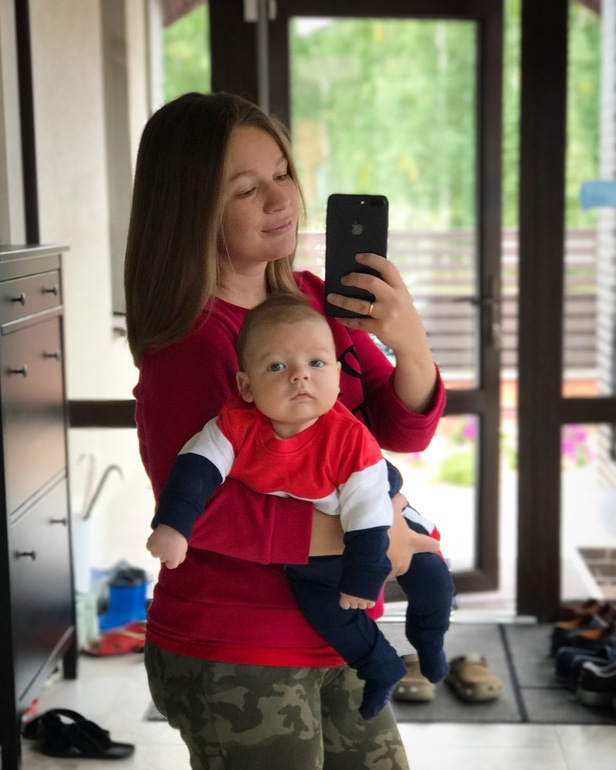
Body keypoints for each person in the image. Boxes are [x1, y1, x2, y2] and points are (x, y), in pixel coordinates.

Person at [124, 90, 447, 769]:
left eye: (283, 174)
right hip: (236, 646)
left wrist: (410, 342)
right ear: (192, 211)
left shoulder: (313, 300)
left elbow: (402, 430)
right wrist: (368, 535)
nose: (282, 200)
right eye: (247, 189)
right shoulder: (190, 344)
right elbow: (201, 509)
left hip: (339, 630)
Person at [146, 294, 453, 721]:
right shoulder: (234, 425)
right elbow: (194, 472)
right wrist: (174, 526)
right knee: (329, 613)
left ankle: (429, 640)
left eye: (316, 363)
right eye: (277, 366)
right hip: (312, 560)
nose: (300, 376)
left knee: (433, 577)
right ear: (246, 386)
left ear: (338, 376)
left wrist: (363, 579)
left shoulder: (350, 438)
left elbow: (369, 515)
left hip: (375, 518)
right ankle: (381, 665)